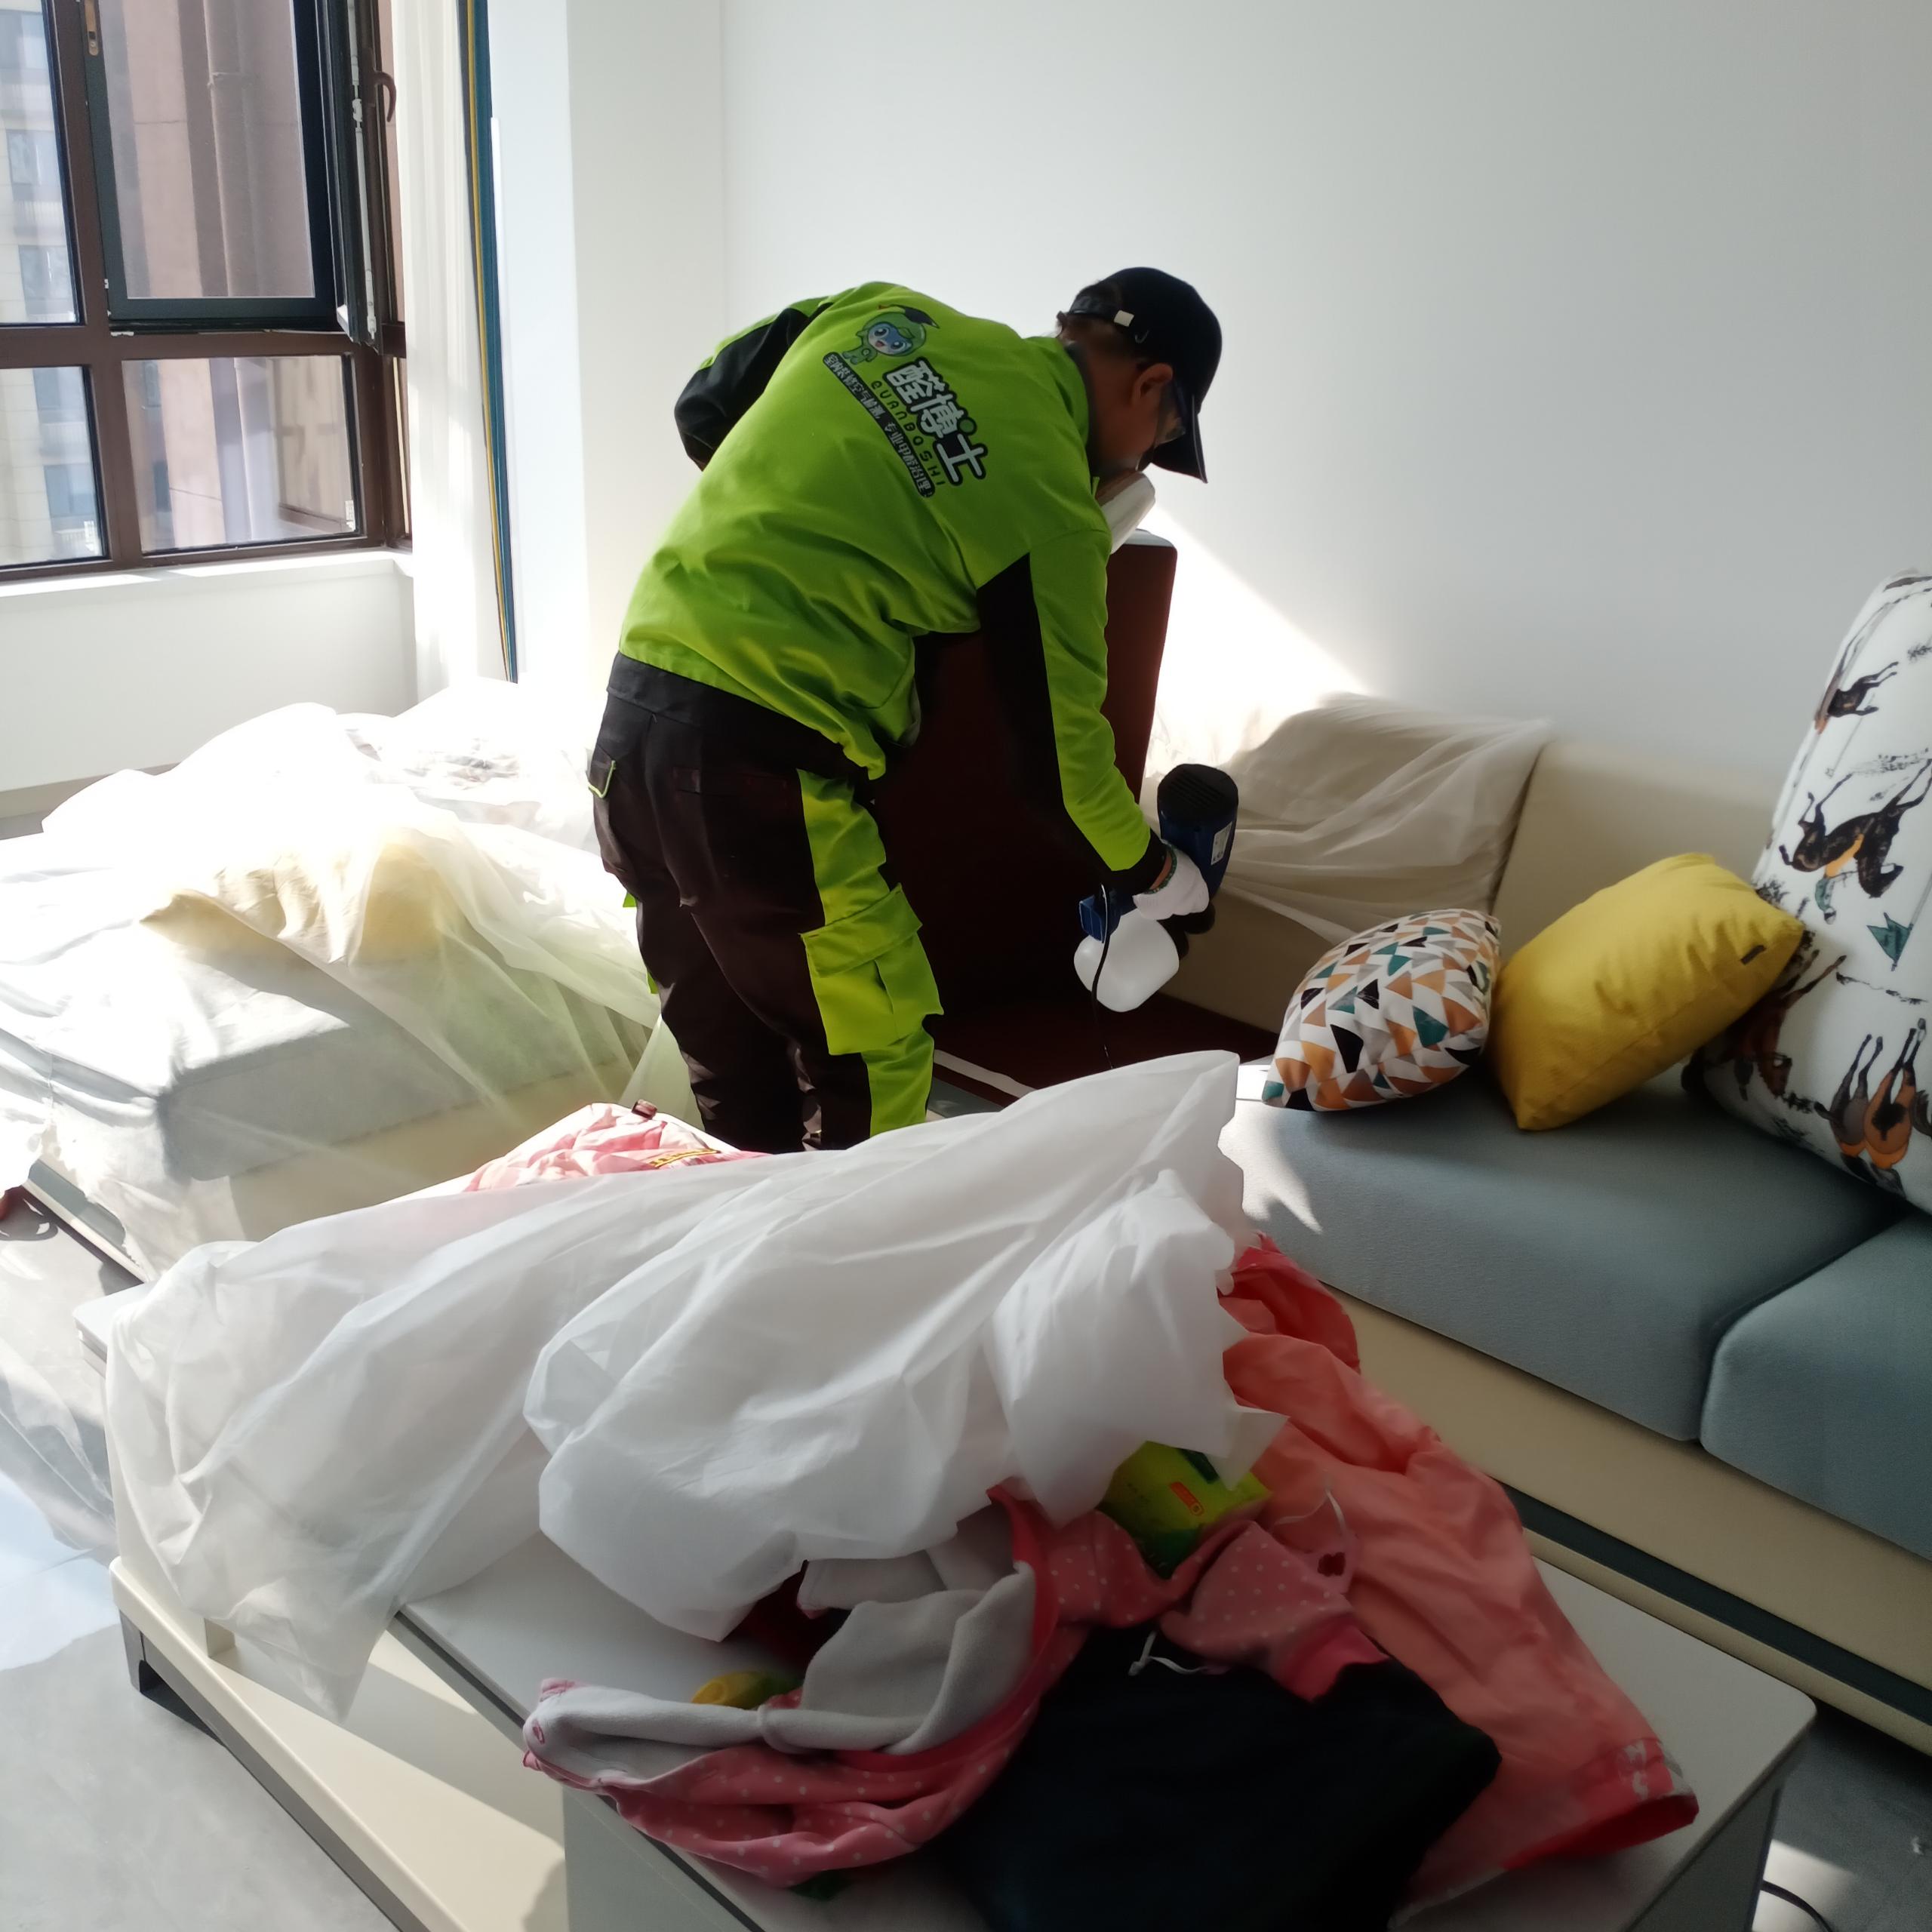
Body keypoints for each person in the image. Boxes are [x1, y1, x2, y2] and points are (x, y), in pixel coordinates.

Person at [589, 269, 1223, 1153]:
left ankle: (752, 1240)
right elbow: (1063, 772)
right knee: (872, 1061)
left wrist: (828, 521)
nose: (1141, 464)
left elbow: (704, 404)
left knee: (734, 1060)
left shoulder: (881, 313)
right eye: (1162, 441)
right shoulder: (1052, 507)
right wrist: (1160, 876)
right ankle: (853, 1247)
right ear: (1153, 386)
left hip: (631, 726)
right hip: (761, 779)